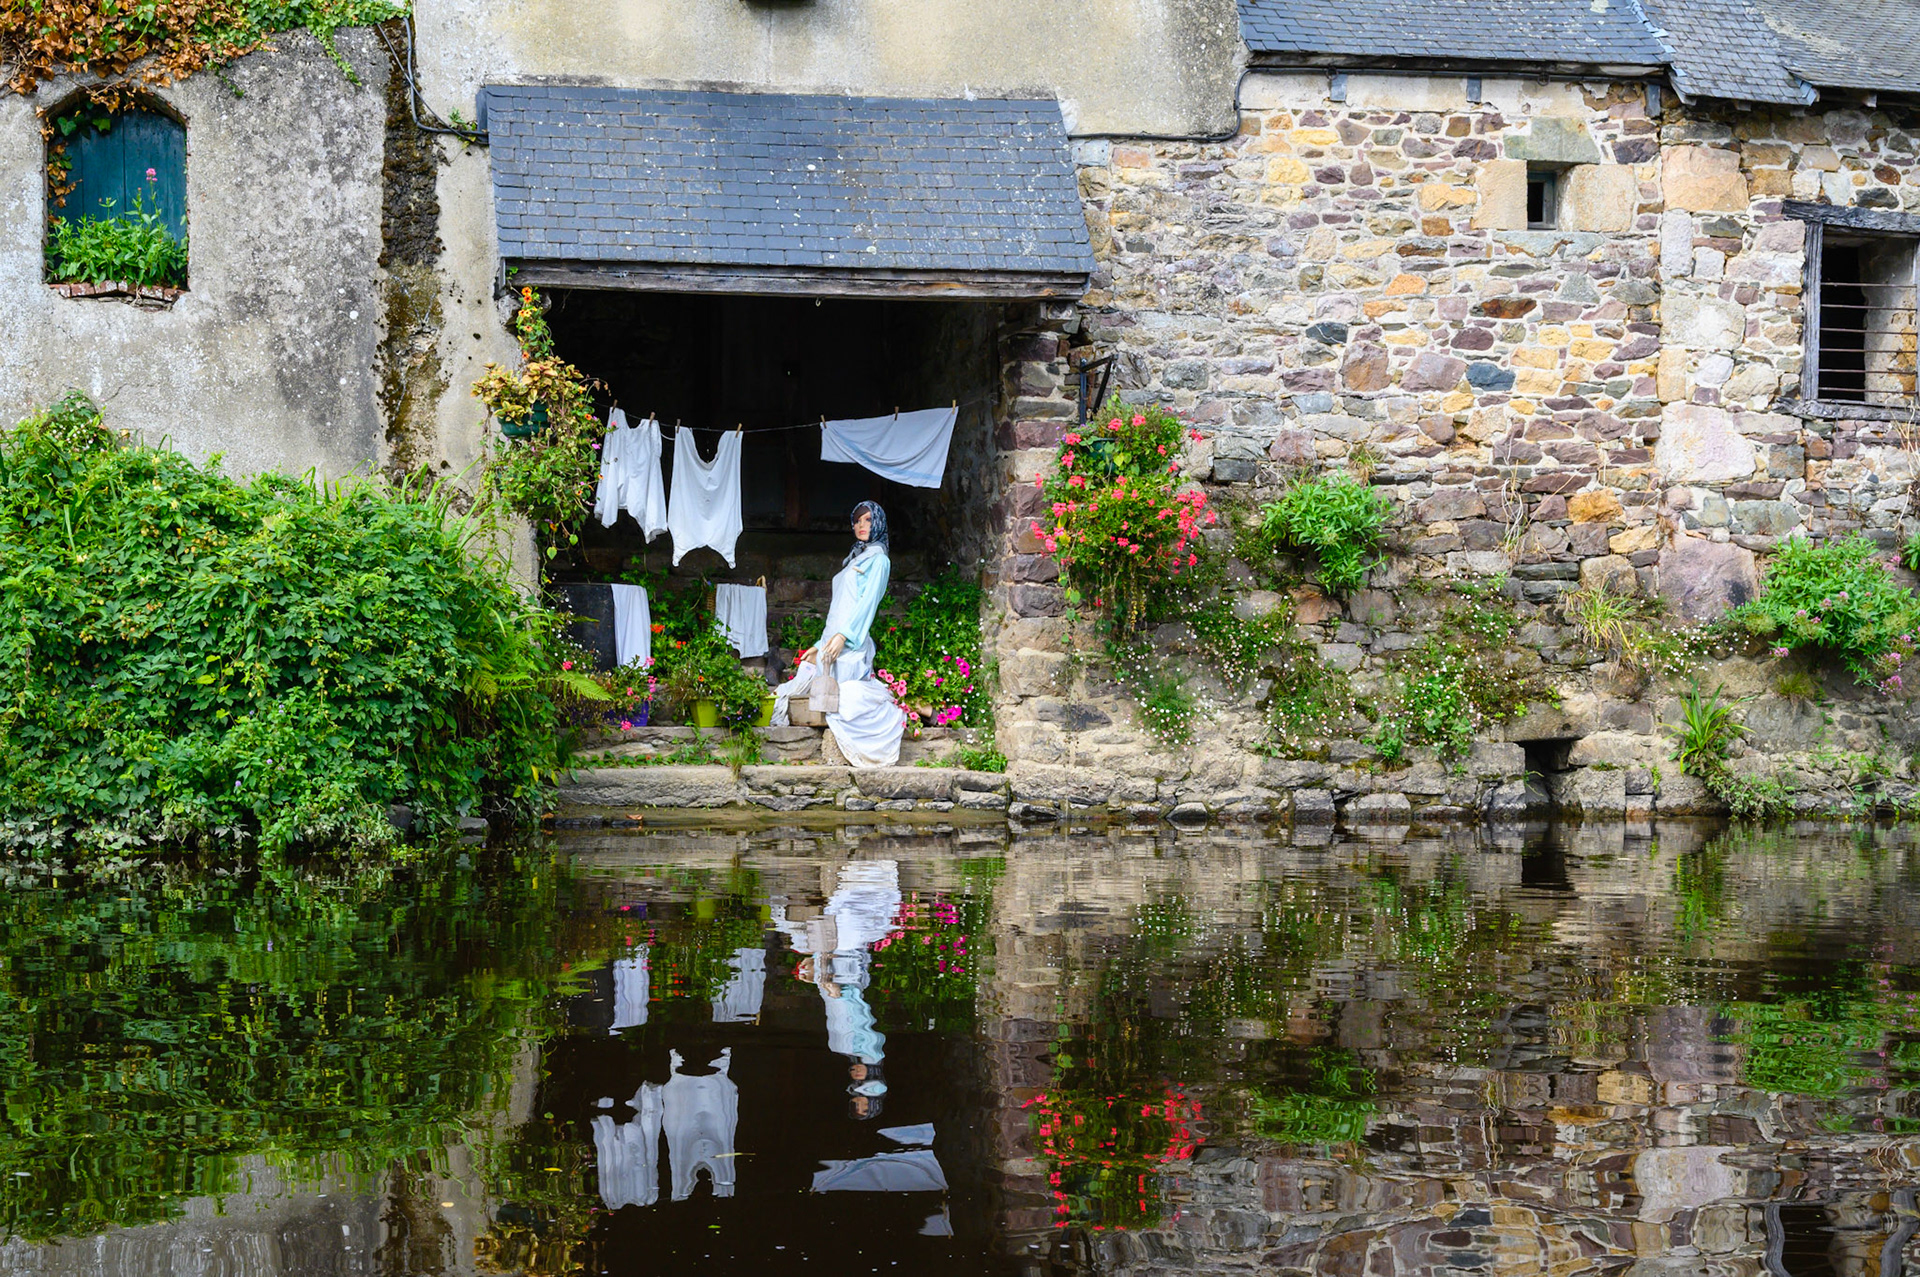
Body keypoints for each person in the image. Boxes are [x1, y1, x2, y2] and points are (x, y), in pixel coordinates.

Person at [770, 501, 907, 767]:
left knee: (843, 699)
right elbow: (839, 608)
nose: (861, 526)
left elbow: (866, 604)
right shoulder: (855, 557)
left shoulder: (878, 560)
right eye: (857, 521)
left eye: (868, 520)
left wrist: (845, 635)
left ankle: (905, 711)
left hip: (851, 643)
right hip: (833, 640)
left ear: (878, 522)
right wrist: (819, 644)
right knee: (811, 681)